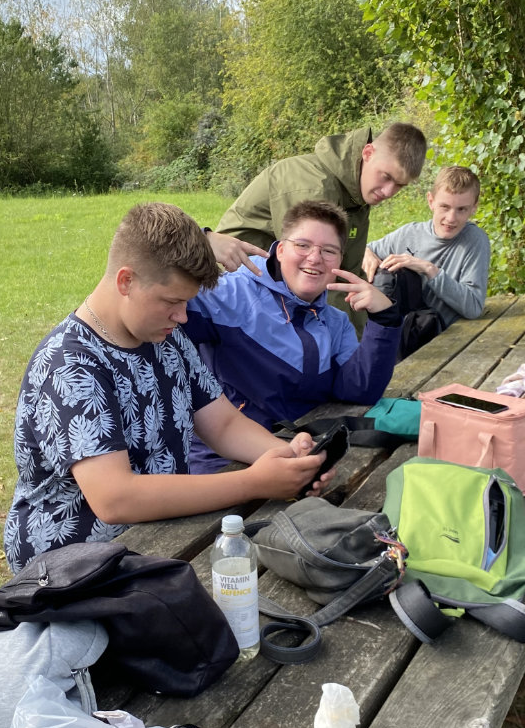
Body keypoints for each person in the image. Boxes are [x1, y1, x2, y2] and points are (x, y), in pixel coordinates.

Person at [3, 202, 332, 574]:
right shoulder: (70, 364)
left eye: (187, 302)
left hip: (154, 542)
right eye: (172, 301)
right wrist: (255, 482)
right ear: (126, 281)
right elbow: (115, 499)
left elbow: (222, 424)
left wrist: (287, 458)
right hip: (69, 571)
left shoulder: (166, 338)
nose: (183, 316)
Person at [182, 201, 402, 471]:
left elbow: (360, 390)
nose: (315, 258)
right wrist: (199, 241)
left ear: (340, 260)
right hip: (224, 459)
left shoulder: (336, 323)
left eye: (329, 251)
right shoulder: (229, 295)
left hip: (301, 448)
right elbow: (149, 288)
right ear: (281, 250)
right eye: (303, 245)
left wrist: (384, 319)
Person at [214, 123, 428, 282]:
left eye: (400, 185)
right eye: (386, 177)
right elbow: (306, 277)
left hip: (278, 284)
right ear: (368, 153)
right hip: (233, 281)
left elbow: (349, 275)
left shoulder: (358, 195)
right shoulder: (315, 187)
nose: (388, 191)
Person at [364, 166, 490, 360]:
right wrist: (368, 255)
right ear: (431, 201)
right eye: (444, 207)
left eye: (462, 209)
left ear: (474, 208)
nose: (451, 218)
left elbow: (473, 307)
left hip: (446, 345)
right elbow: (366, 249)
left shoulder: (475, 241)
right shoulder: (409, 234)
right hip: (399, 339)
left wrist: (430, 270)